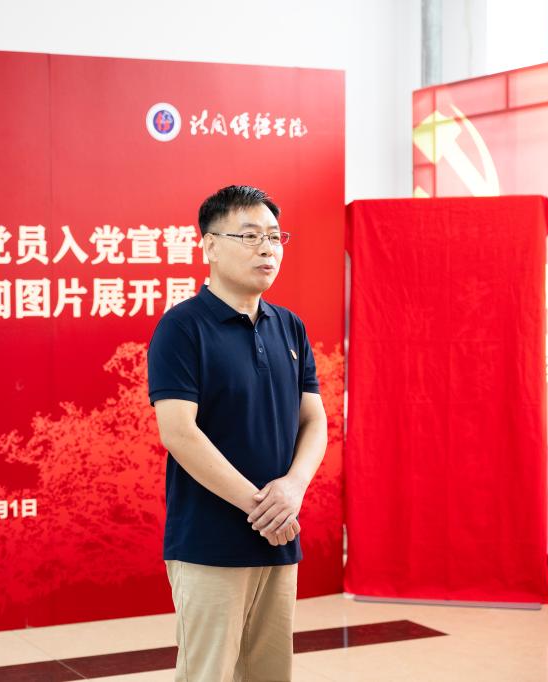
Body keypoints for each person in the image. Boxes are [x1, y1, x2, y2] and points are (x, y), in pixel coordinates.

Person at [147, 185, 328, 681]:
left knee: (270, 672)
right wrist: (262, 508)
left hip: (278, 537)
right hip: (210, 541)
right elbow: (179, 433)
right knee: (208, 673)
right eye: (250, 236)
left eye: (274, 236)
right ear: (209, 245)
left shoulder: (289, 326)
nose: (267, 248)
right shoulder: (182, 328)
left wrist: (292, 489)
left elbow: (314, 419)